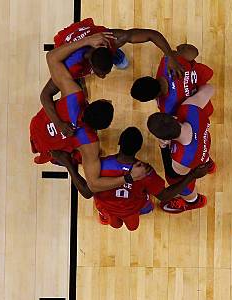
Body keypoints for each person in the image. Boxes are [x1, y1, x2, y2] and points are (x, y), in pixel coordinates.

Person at [32, 32, 149, 192]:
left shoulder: (74, 94)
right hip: (50, 149)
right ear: (99, 129)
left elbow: (52, 57)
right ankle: (63, 159)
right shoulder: (90, 142)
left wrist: (86, 40)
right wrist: (129, 177)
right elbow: (92, 186)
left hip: (37, 125)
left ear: (92, 103)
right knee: (92, 157)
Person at [42, 18, 185, 137]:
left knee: (123, 63)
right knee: (72, 86)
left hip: (93, 39)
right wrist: (58, 123)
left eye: (106, 71)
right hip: (68, 44)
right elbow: (45, 95)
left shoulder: (110, 38)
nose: (103, 77)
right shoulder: (69, 66)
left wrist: (170, 56)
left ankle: (116, 57)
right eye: (99, 73)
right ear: (89, 63)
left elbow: (152, 34)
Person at [53, 127, 213, 231]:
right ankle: (133, 212)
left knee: (113, 224)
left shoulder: (101, 165)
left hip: (107, 207)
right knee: (133, 226)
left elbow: (87, 190)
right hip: (132, 209)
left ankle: (105, 216)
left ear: (119, 142)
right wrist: (192, 175)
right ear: (139, 149)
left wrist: (68, 163)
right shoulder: (145, 172)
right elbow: (164, 196)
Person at [146, 84, 216, 213]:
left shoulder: (182, 158)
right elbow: (210, 89)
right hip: (204, 145)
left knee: (183, 186)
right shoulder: (189, 109)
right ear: (173, 118)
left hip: (195, 160)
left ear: (165, 138)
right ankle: (209, 164)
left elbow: (174, 175)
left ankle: (194, 202)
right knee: (203, 155)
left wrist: (164, 147)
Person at [130, 43, 214, 116]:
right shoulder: (167, 61)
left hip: (203, 101)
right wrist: (180, 49)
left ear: (154, 97)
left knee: (205, 111)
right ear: (149, 77)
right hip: (202, 74)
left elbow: (186, 115)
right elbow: (193, 52)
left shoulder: (166, 109)